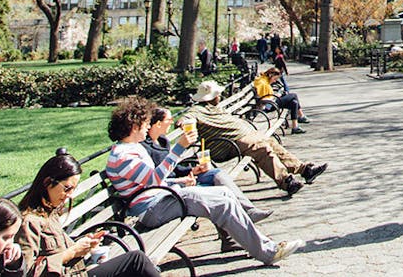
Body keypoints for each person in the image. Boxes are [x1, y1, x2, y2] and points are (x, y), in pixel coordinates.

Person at [104, 97, 297, 265]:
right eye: (145, 123)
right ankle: (268, 252)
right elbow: (153, 179)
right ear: (134, 126)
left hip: (161, 200)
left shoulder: (132, 148)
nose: (148, 127)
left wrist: (179, 182)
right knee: (222, 203)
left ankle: (256, 242)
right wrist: (179, 148)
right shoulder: (123, 155)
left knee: (224, 193)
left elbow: (151, 183)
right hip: (151, 210)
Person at [16, 150, 161, 277]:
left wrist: (84, 244)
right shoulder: (29, 221)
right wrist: (72, 252)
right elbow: (27, 272)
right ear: (48, 182)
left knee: (138, 263)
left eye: (73, 189)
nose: (70, 195)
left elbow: (58, 247)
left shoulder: (49, 211)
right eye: (67, 188)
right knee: (137, 261)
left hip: (78, 272)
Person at [186, 80, 325, 195]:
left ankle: (305, 170)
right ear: (212, 96)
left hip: (242, 137)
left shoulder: (214, 107)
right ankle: (286, 182)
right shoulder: (197, 110)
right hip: (227, 144)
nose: (220, 96)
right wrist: (189, 124)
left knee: (271, 142)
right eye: (218, 94)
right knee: (261, 148)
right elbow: (185, 119)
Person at [142, 107, 270, 222]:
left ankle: (249, 210)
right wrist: (181, 181)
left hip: (183, 181)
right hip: (169, 191)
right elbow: (156, 178)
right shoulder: (146, 149)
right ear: (158, 124)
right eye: (169, 120)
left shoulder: (163, 140)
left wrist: (193, 169)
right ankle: (232, 235)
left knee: (217, 174)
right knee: (218, 195)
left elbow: (174, 166)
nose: (171, 122)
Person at [252, 66, 308, 134]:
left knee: (294, 102)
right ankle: (301, 116)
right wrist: (275, 96)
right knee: (294, 95)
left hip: (271, 102)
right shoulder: (263, 83)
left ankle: (295, 127)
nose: (275, 81)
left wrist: (276, 96)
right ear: (271, 75)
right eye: (275, 79)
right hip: (269, 105)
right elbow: (264, 98)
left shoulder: (264, 80)